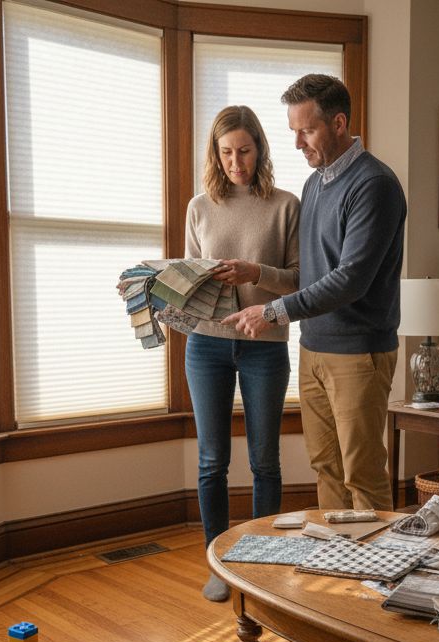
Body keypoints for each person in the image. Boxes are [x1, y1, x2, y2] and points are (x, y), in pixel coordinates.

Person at [223, 74, 406, 514]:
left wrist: (275, 312)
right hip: (314, 348)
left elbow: (350, 279)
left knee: (361, 472)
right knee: (325, 466)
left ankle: (374, 577)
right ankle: (341, 570)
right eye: (294, 132)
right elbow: (309, 274)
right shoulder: (315, 184)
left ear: (339, 123)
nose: (298, 144)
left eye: (306, 131)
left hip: (359, 353)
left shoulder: (374, 184)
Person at [186, 105, 299, 602]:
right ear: (216, 153)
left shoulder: (285, 206)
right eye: (226, 152)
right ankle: (218, 562)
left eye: (245, 151)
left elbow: (302, 281)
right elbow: (186, 282)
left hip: (264, 346)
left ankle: (259, 559)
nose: (236, 162)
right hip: (206, 345)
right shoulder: (199, 207)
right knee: (212, 461)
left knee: (264, 462)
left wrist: (257, 273)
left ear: (260, 149)